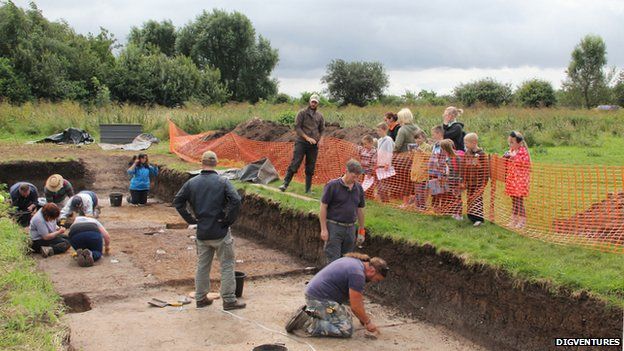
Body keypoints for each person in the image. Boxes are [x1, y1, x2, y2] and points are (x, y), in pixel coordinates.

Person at [173, 150, 246, 310]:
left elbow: (178, 202)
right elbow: (236, 200)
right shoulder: (223, 181)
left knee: (202, 266)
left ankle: (201, 298)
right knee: (227, 265)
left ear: (202, 162)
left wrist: (191, 220)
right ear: (216, 163)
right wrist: (228, 220)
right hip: (220, 231)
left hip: (202, 231)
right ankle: (229, 300)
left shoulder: (192, 183)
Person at [285, 253, 388, 338]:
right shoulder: (358, 274)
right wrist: (368, 322)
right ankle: (307, 323)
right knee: (346, 329)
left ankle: (310, 311)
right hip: (320, 300)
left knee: (346, 315)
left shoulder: (355, 263)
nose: (374, 282)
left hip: (319, 298)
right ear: (372, 271)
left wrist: (362, 319)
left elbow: (357, 301)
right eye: (376, 279)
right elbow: (356, 306)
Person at [319, 159, 366, 264]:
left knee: (346, 261)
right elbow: (323, 207)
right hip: (334, 227)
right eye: (354, 176)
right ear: (347, 171)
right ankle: (331, 280)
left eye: (358, 177)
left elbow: (360, 210)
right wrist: (323, 229)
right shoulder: (332, 185)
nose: (355, 179)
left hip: (350, 229)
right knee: (333, 261)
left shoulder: (358, 188)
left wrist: (361, 231)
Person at [280, 94, 325, 193]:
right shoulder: (302, 113)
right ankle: (285, 184)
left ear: (318, 103)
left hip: (313, 145)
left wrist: (321, 139)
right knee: (295, 162)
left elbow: (322, 129)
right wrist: (307, 138)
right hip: (301, 142)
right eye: (312, 101)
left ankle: (308, 189)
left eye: (315, 102)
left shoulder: (320, 116)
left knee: (310, 166)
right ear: (309, 101)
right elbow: (297, 127)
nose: (313, 103)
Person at [504, 131, 531, 228]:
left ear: (519, 143)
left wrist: (513, 157)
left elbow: (524, 163)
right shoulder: (511, 151)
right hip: (512, 180)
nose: (510, 144)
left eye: (512, 142)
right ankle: (514, 219)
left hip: (520, 181)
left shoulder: (523, 152)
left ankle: (522, 220)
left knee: (519, 201)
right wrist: (506, 158)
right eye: (509, 142)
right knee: (514, 201)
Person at [393, 108, 420, 207]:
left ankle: (405, 203)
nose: (398, 120)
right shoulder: (417, 128)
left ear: (402, 118)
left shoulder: (402, 130)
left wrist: (391, 152)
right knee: (413, 179)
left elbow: (397, 146)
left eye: (399, 118)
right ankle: (413, 199)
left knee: (403, 180)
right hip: (416, 158)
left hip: (403, 159)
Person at [463, 133, 489, 226]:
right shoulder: (467, 153)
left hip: (478, 182)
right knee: (469, 199)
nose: (465, 145)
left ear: (474, 142)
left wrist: (483, 183)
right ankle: (471, 217)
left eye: (467, 143)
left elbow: (485, 170)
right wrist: (464, 180)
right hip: (470, 182)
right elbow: (464, 167)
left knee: (477, 199)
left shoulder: (481, 154)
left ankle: (479, 219)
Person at [440, 139, 463, 220]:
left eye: (442, 148)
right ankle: (455, 212)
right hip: (451, 180)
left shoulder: (455, 158)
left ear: (445, 148)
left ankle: (459, 214)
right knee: (454, 196)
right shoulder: (448, 157)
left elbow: (457, 169)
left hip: (456, 180)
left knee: (458, 196)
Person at [409, 130, 433, 210]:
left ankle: (422, 206)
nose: (417, 140)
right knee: (417, 190)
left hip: (423, 172)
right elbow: (413, 159)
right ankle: (418, 205)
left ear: (424, 138)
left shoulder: (427, 147)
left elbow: (430, 157)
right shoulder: (416, 147)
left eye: (419, 138)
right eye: (416, 138)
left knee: (421, 191)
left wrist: (421, 152)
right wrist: (412, 153)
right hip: (416, 171)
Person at [427, 126, 446, 212]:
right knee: (433, 188)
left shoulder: (443, 144)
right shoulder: (435, 144)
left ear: (439, 134)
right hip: (433, 170)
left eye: (434, 134)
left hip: (440, 171)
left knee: (440, 189)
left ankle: (441, 207)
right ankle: (434, 206)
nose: (432, 136)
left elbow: (442, 158)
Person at [375, 122, 395, 202]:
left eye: (379, 130)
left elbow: (390, 152)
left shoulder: (388, 140)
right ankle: (383, 199)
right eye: (377, 130)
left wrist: (387, 164)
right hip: (379, 164)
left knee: (384, 183)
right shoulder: (379, 140)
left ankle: (386, 200)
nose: (378, 132)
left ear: (385, 130)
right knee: (380, 183)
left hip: (385, 164)